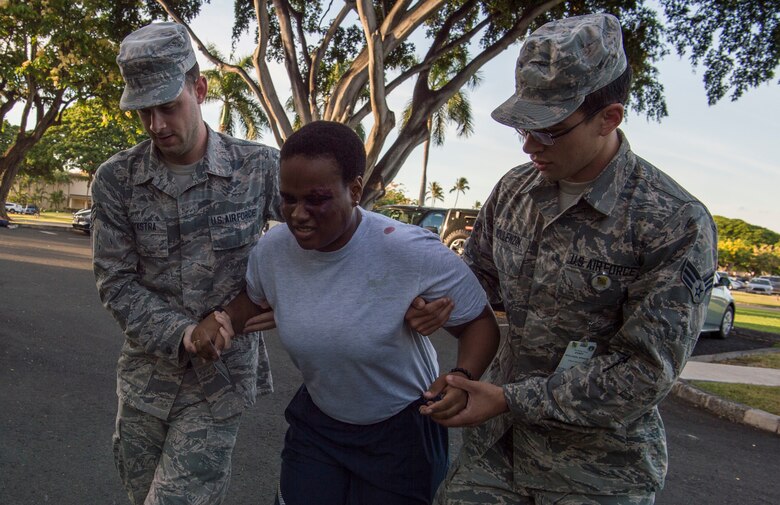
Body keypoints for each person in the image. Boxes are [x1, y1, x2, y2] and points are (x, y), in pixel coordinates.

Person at [415, 13, 718, 505]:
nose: (531, 145)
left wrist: (511, 399)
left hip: (594, 474)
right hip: (494, 457)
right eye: (523, 127)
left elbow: (644, 372)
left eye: (550, 130)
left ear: (609, 118)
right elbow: (476, 284)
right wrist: (440, 309)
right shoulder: (515, 189)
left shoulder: (673, 221)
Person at [194, 120, 501, 505]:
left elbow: (480, 323)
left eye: (316, 199)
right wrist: (222, 321)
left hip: (401, 430)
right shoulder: (274, 249)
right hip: (319, 424)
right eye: (288, 199)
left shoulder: (409, 251)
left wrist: (461, 376)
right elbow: (254, 299)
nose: (297, 215)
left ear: (355, 190)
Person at [91, 22, 281, 504]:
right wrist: (184, 333)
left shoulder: (258, 167)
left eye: (168, 106)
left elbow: (327, 232)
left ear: (199, 89)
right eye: (143, 111)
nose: (156, 124)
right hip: (144, 383)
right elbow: (116, 284)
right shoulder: (116, 180)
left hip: (219, 386)